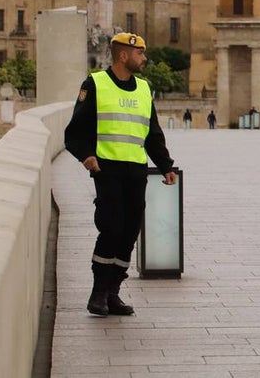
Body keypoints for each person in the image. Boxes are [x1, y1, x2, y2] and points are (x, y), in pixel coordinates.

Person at [64, 32, 177, 317]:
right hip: (108, 169)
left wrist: (166, 166)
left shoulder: (143, 88)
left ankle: (113, 291)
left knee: (129, 232)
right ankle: (98, 292)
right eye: (140, 53)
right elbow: (75, 130)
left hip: (136, 170)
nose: (145, 58)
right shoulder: (96, 84)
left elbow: (152, 133)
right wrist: (87, 156)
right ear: (123, 55)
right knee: (111, 228)